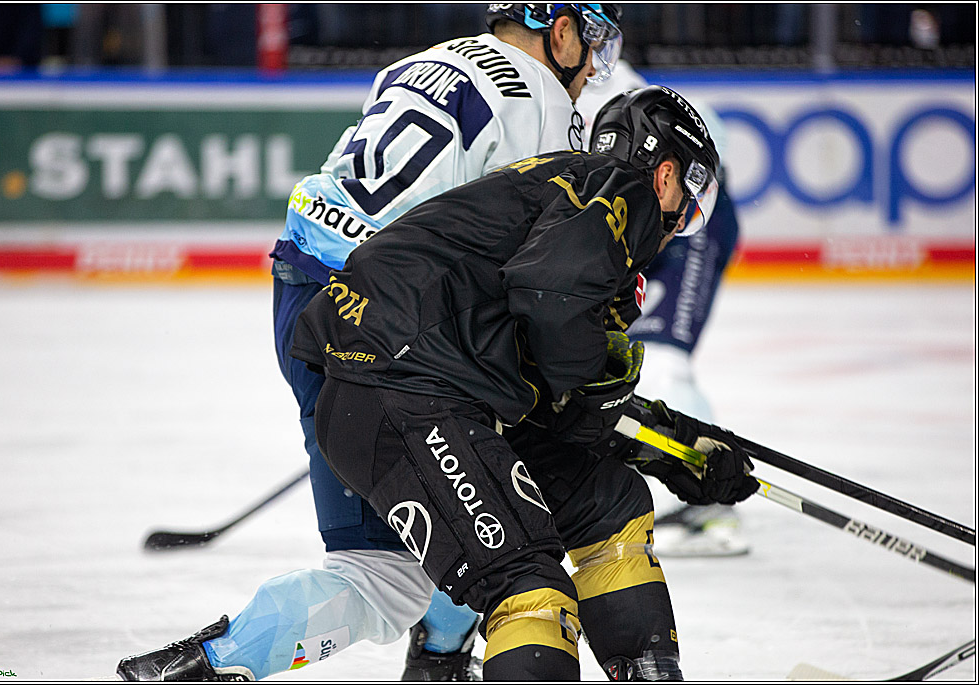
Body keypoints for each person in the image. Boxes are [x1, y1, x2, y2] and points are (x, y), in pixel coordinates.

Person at [116, 4, 624, 681]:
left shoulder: (422, 61)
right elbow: (536, 273)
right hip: (387, 322)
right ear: (559, 31)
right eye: (592, 46)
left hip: (302, 294)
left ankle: (422, 659)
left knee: (403, 534)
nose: (592, 70)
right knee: (446, 524)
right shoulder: (546, 105)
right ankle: (428, 657)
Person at [290, 86, 758, 680]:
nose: (678, 229)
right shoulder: (621, 191)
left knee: (608, 504)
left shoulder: (566, 195)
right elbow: (554, 311)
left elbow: (556, 385)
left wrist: (669, 446)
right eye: (689, 208)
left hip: (425, 388)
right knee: (528, 587)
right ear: (665, 176)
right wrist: (636, 424)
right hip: (403, 392)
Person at [577, 62, 747, 558]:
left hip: (688, 221)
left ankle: (708, 492)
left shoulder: (602, 82)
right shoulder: (547, 77)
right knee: (633, 351)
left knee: (662, 357)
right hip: (642, 220)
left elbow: (712, 156)